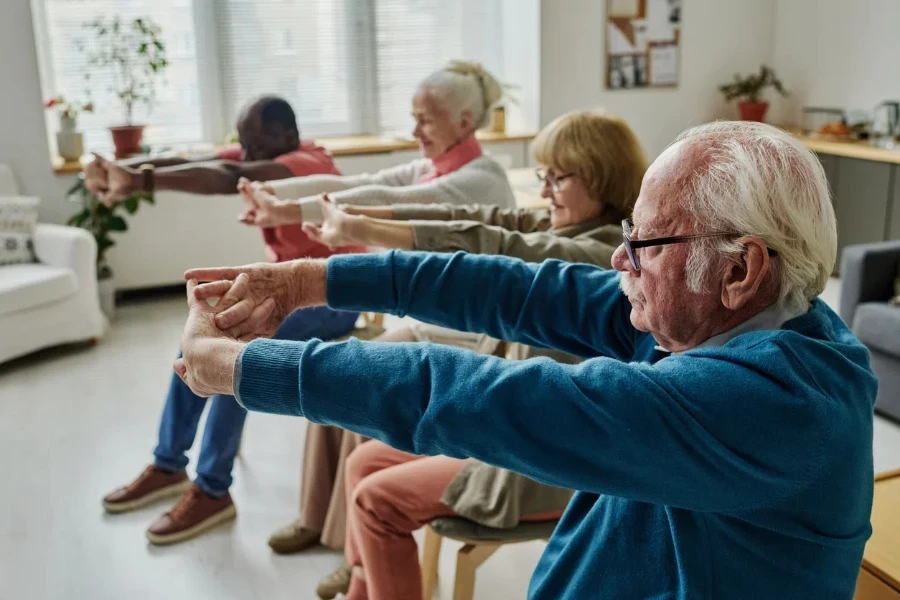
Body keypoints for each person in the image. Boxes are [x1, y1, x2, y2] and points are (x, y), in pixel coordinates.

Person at [176, 120, 876, 600]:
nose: (619, 257)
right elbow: (522, 287)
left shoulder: (773, 402)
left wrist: (244, 369)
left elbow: (481, 396)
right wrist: (313, 281)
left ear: (740, 269)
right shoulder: (717, 317)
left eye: (647, 242)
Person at [256, 110, 647, 598]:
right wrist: (351, 222)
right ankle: (364, 584)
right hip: (513, 429)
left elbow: (497, 243)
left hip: (546, 462)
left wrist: (356, 236)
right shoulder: (569, 224)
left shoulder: (602, 252)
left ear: (602, 177)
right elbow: (477, 220)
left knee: (376, 497)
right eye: (542, 176)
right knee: (364, 463)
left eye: (558, 178)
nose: (544, 190)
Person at [236, 60, 518, 557]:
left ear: (465, 122)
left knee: (353, 389)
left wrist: (286, 210)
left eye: (425, 119)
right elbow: (352, 183)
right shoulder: (431, 165)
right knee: (323, 381)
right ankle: (317, 519)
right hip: (426, 326)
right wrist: (276, 195)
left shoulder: (482, 179)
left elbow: (390, 200)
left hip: (468, 339)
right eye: (413, 117)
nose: (414, 131)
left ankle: (355, 550)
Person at [98, 95, 363, 546]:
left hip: (335, 294)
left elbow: (227, 177)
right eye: (243, 143)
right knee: (195, 339)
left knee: (232, 355)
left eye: (255, 144)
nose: (247, 154)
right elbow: (195, 160)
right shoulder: (266, 151)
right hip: (286, 287)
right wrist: (126, 168)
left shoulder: (304, 164)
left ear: (287, 137)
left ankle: (212, 489)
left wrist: (140, 180)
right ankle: (168, 464)